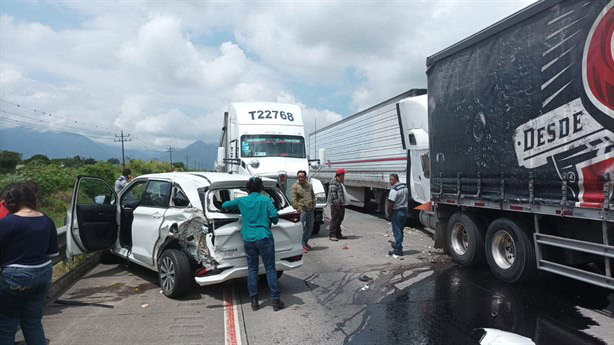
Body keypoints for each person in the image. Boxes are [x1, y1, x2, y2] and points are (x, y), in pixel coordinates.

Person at [0, 182, 59, 345]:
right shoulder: (46, 220)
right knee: (33, 322)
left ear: (9, 202)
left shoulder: (7, 222)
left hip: (15, 278)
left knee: (6, 325)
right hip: (43, 275)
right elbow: (53, 252)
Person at [221, 177, 285, 312]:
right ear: (261, 188)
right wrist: (269, 220)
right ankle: (275, 300)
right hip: (265, 238)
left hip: (249, 239)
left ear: (247, 189)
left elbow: (224, 205)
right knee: (270, 269)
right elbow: (275, 218)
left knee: (252, 269)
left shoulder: (242, 201)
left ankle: (254, 301)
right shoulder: (266, 200)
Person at [291, 170, 315, 253]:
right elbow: (293, 200)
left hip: (310, 210)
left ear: (305, 177)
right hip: (302, 211)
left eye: (302, 177)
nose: (300, 178)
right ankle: (301, 245)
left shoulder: (309, 185)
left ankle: (305, 242)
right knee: (301, 229)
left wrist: (314, 206)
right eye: (299, 177)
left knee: (310, 228)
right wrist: (299, 209)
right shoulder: (295, 186)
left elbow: (313, 195)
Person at [387, 174, 408, 257]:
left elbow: (390, 204)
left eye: (390, 180)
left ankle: (398, 250)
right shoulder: (405, 188)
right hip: (404, 211)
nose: (390, 182)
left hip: (397, 212)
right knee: (401, 230)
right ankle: (398, 245)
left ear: (394, 180)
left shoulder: (394, 190)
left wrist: (389, 213)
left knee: (397, 232)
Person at [328, 168, 349, 241]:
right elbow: (333, 194)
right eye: (343, 174)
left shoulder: (341, 182)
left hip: (341, 204)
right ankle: (332, 235)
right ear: (340, 175)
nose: (344, 176)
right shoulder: (334, 181)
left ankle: (338, 234)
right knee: (335, 219)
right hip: (336, 205)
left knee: (340, 219)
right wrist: (337, 203)